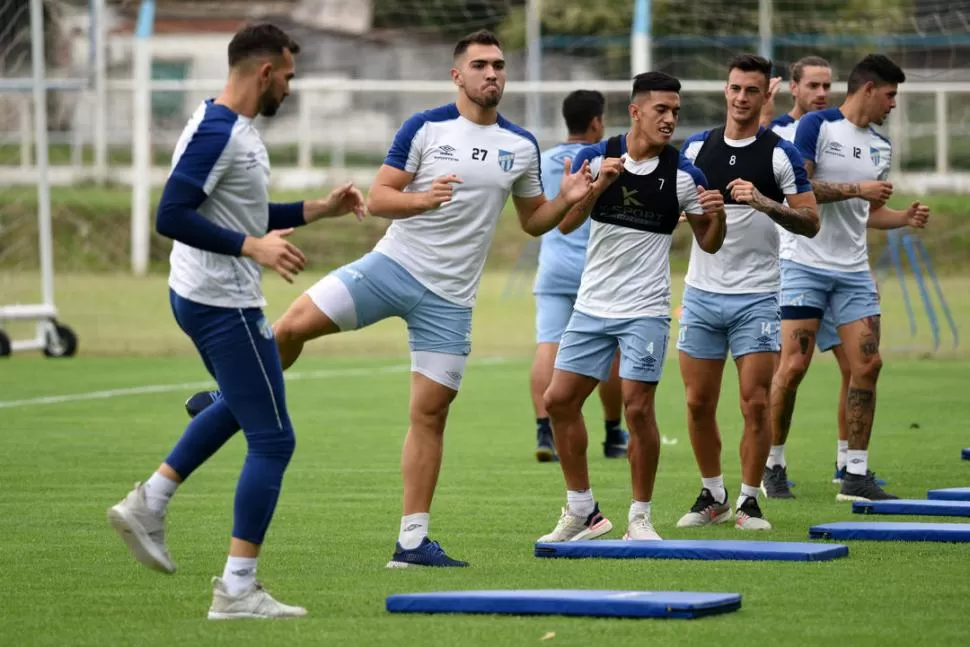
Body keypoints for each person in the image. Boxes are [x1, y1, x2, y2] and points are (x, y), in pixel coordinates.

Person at [185, 29, 593, 567]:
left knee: (430, 414)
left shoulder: (520, 145)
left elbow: (534, 221)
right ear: (457, 75)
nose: (492, 73)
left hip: (450, 300)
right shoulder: (424, 127)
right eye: (480, 65)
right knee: (291, 327)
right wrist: (422, 201)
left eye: (498, 65)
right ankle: (228, 399)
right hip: (392, 267)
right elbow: (378, 198)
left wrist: (567, 199)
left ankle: (412, 543)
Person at [106, 23, 365, 619]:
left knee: (241, 403)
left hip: (206, 295)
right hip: (222, 303)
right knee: (273, 439)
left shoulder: (229, 126)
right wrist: (252, 247)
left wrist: (319, 209)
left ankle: (151, 500)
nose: (290, 89)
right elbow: (171, 213)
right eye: (289, 77)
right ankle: (236, 589)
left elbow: (241, 209)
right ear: (265, 72)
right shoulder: (219, 131)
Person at [537, 71, 727, 543]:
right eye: (661, 109)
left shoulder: (685, 175)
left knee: (638, 409)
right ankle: (583, 511)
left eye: (676, 111)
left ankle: (639, 519)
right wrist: (597, 186)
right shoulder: (596, 157)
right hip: (591, 306)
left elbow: (710, 242)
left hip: (645, 309)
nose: (670, 119)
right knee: (558, 402)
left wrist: (718, 217)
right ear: (635, 111)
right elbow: (566, 224)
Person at [773, 53, 930, 502]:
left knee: (868, 365)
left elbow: (870, 213)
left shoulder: (881, 146)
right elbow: (800, 189)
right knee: (794, 367)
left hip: (854, 271)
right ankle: (773, 463)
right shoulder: (817, 126)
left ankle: (855, 474)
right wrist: (859, 189)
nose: (893, 104)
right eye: (890, 95)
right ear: (868, 89)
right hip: (804, 263)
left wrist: (903, 218)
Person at [673, 54, 819, 531]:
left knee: (755, 403)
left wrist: (765, 203)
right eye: (735, 88)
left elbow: (811, 221)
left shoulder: (779, 154)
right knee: (697, 403)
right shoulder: (697, 148)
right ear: (725, 90)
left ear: (763, 96)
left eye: (751, 90)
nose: (741, 98)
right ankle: (712, 494)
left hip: (756, 297)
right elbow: (679, 207)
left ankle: (749, 501)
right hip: (701, 293)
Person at [531, 90, 627, 463]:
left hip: (554, 266)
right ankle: (613, 433)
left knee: (548, 345)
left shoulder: (543, 160)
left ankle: (544, 431)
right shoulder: (606, 160)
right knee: (611, 350)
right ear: (596, 122)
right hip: (597, 270)